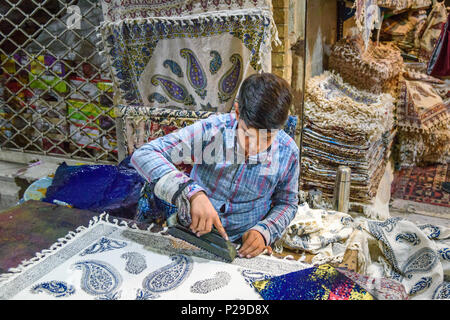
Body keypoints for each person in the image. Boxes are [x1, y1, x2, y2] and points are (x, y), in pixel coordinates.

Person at [131, 72, 299, 258]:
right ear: (237, 112)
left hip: (242, 248)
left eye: (267, 138)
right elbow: (144, 154)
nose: (255, 148)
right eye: (247, 135)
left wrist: (264, 231)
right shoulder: (212, 131)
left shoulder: (287, 152)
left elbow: (287, 203)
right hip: (192, 235)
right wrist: (191, 192)